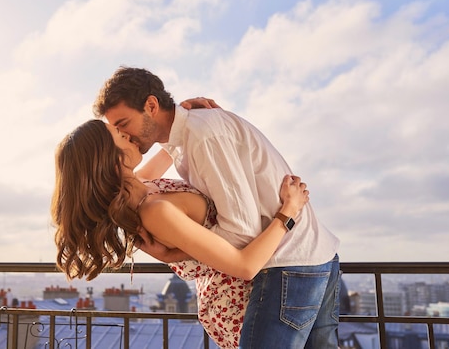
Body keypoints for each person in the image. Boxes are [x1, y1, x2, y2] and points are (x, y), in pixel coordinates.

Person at [93, 66, 341, 349]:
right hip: (305, 255)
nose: (124, 135)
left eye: (123, 124)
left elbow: (241, 234)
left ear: (151, 105)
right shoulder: (186, 140)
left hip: (287, 263)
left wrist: (175, 251)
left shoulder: (202, 135)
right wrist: (180, 115)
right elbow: (140, 176)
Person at [50, 119, 309, 348]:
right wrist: (288, 212)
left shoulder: (140, 186)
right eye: (119, 134)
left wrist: (185, 113)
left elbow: (170, 146)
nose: (127, 134)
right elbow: (245, 265)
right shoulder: (154, 211)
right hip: (240, 302)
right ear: (111, 158)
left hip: (250, 293)